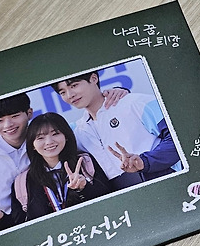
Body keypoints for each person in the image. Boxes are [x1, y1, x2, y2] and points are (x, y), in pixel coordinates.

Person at [0, 89, 127, 245]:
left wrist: (118, 93)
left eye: (15, 116)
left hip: (26, 230)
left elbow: (84, 124)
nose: (8, 125)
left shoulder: (44, 140)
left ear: (29, 113)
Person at [0, 112, 111, 230]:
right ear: (32, 144)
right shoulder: (23, 182)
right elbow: (20, 227)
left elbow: (110, 199)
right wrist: (0, 220)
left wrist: (84, 188)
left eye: (55, 134)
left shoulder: (86, 163)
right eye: (40, 138)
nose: (49, 142)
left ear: (66, 136)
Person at [52, 71, 181, 190]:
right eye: (62, 92)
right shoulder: (76, 131)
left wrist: (145, 161)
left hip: (164, 180)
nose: (70, 95)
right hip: (123, 197)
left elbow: (179, 135)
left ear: (94, 78)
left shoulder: (135, 103)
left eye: (74, 86)